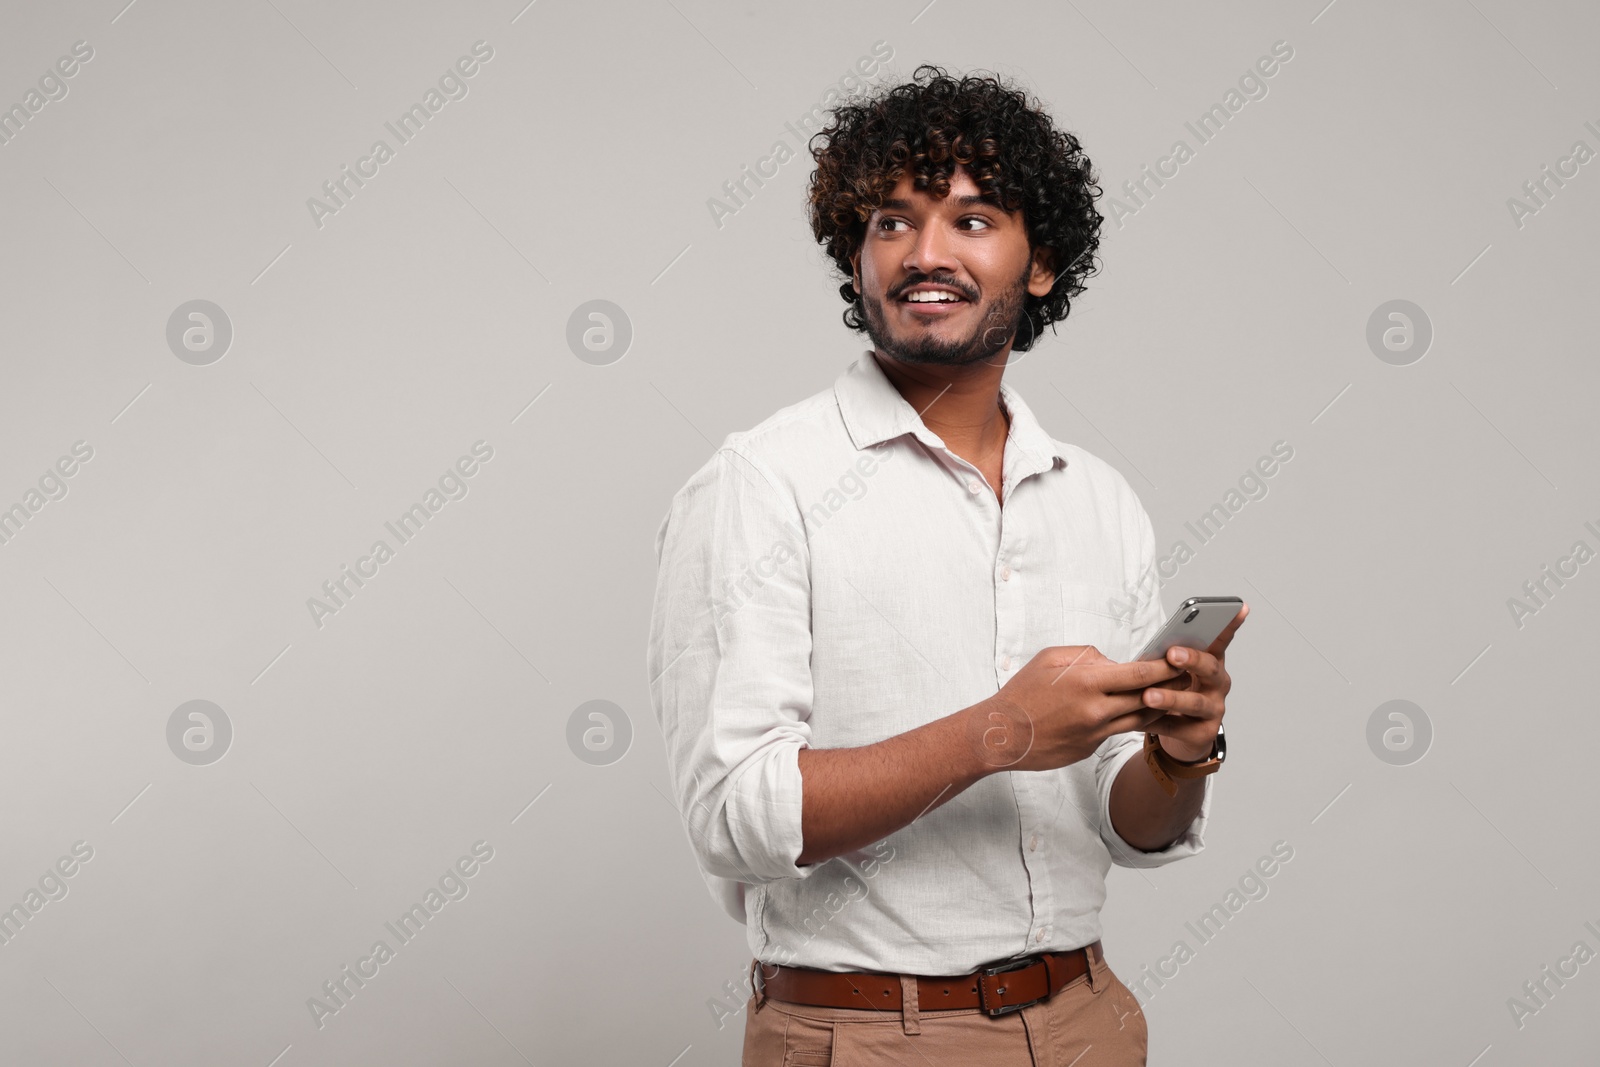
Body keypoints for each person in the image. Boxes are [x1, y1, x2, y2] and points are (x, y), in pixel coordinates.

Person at [647, 64, 1248, 1066]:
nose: (925, 252)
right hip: (871, 1032)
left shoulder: (1099, 498)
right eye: (891, 220)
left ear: (1041, 262)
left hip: (1086, 1020)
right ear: (855, 258)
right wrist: (999, 728)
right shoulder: (761, 483)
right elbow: (733, 815)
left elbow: (1128, 826)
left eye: (971, 220)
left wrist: (1179, 754)